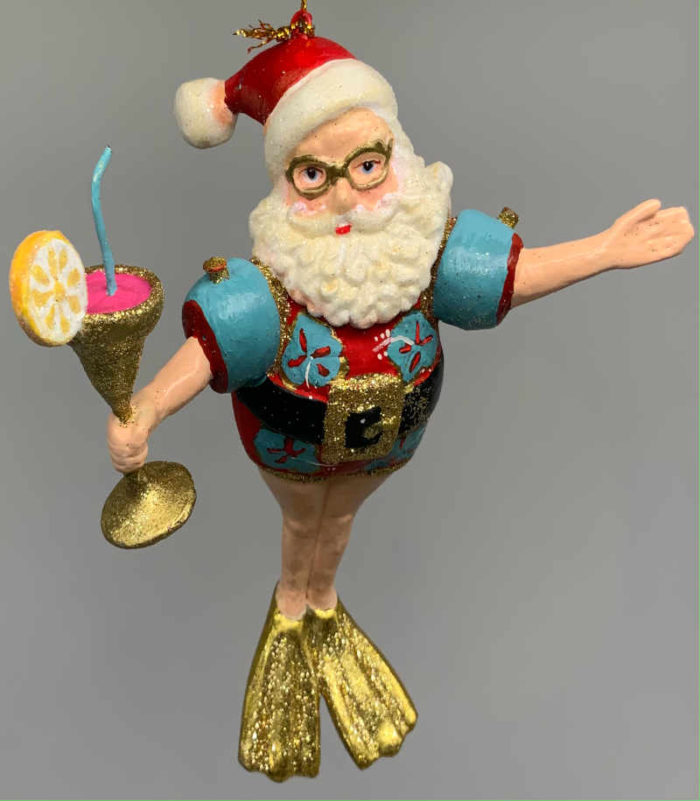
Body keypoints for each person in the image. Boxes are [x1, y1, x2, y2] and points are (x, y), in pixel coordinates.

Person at [106, 2, 694, 782]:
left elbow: (512, 275)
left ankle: (319, 604)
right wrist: (148, 406)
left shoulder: (426, 253)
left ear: (396, 154)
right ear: (284, 180)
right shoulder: (269, 286)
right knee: (304, 521)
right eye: (313, 176)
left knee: (340, 521)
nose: (346, 197)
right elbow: (211, 346)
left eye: (366, 167)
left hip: (386, 446)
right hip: (290, 445)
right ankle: (294, 606)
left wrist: (604, 249)